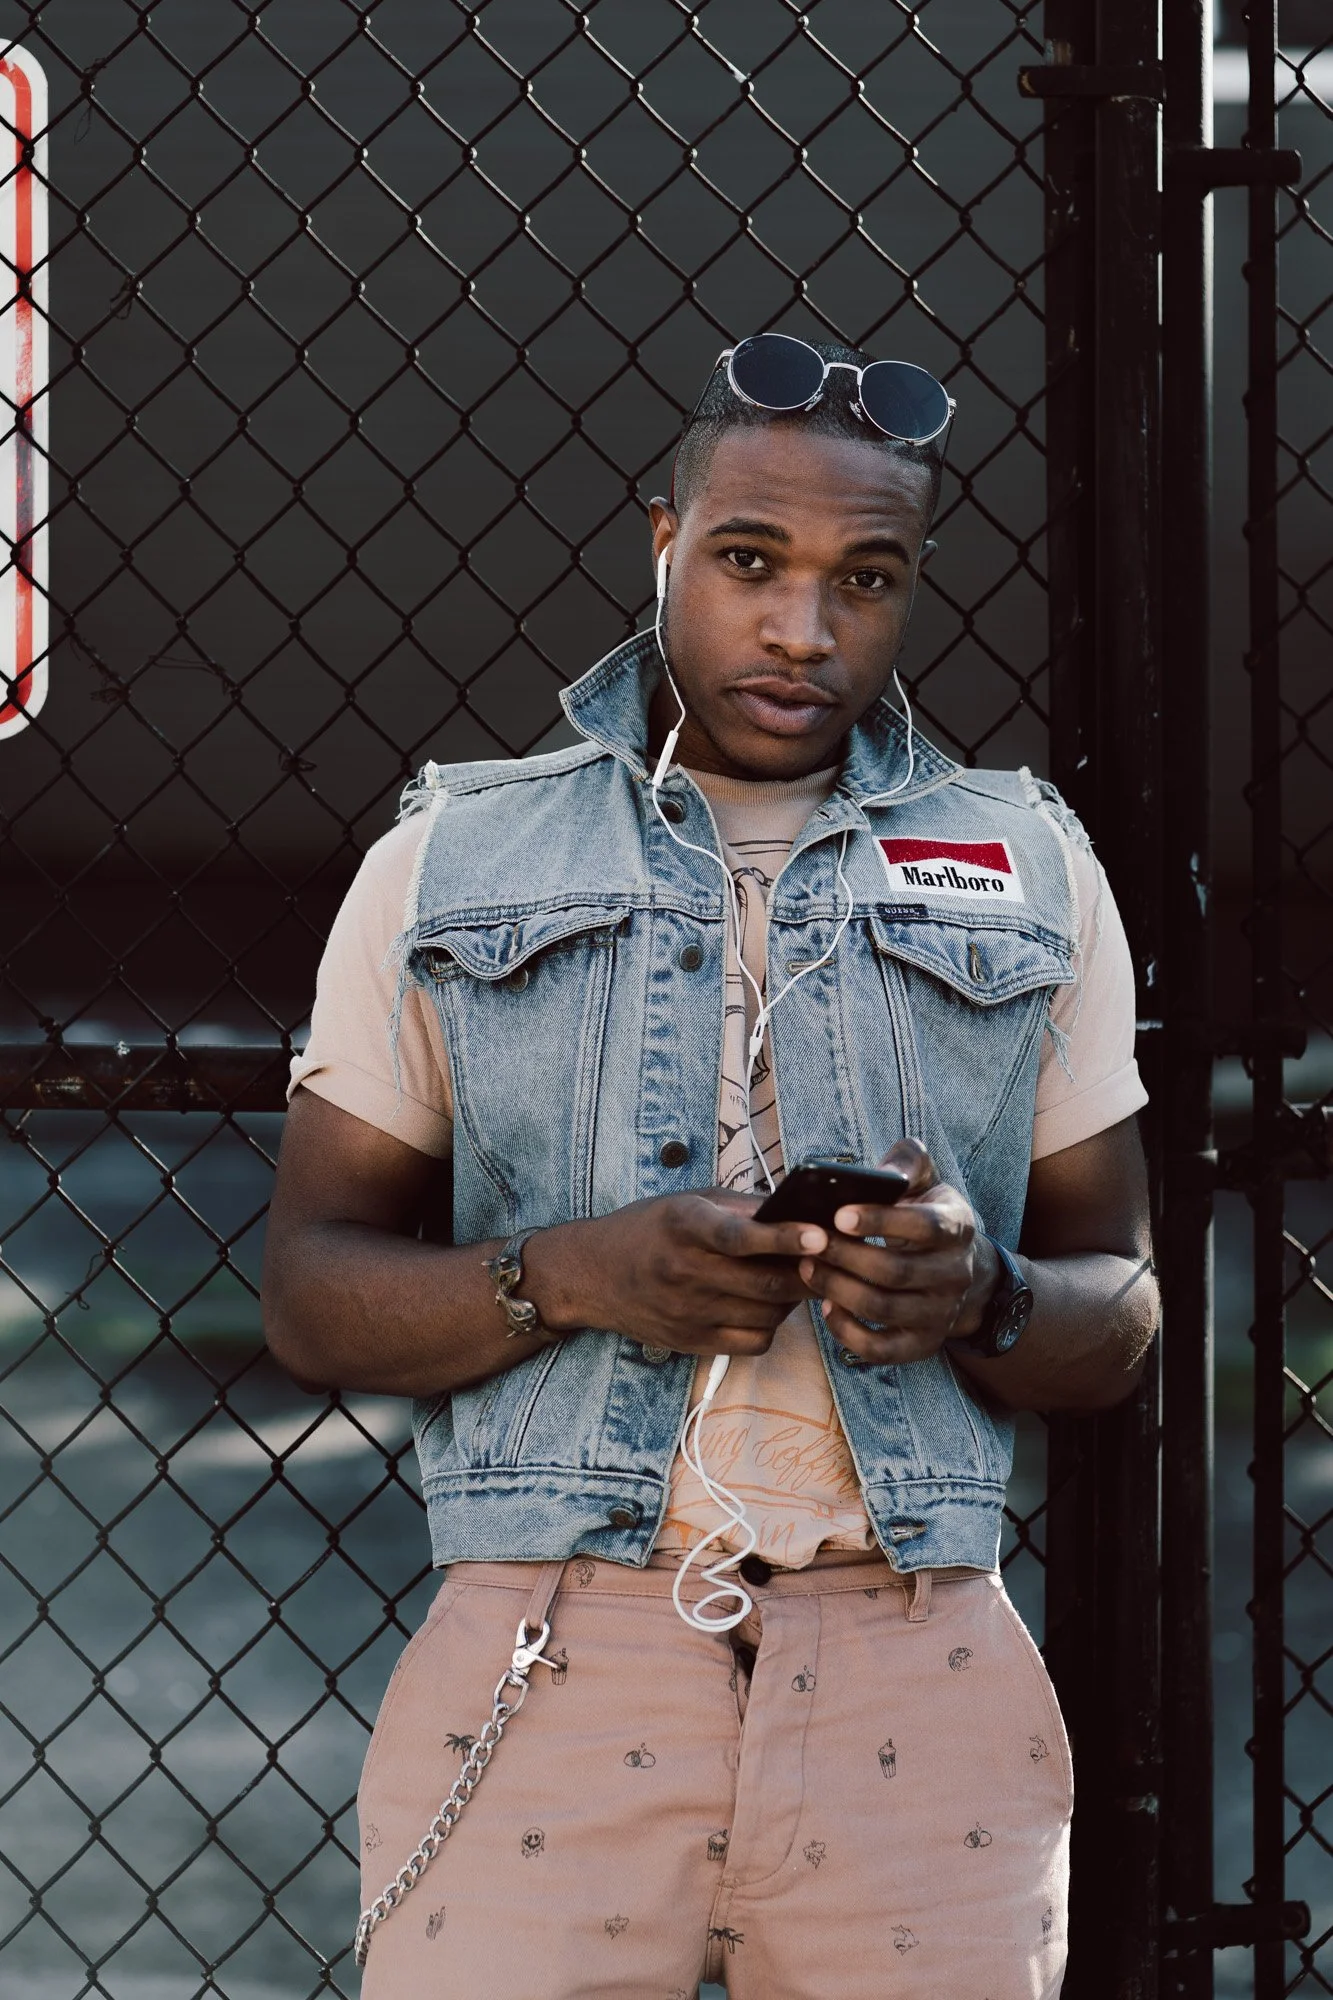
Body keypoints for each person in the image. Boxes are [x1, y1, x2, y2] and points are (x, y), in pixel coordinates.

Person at [262, 333, 1158, 1998]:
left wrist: (987, 1291)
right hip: (551, 1638)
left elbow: (1124, 1312)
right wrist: (570, 1277)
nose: (805, 630)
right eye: (753, 561)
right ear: (664, 538)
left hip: (915, 1652)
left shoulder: (1031, 866)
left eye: (865, 579)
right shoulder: (452, 858)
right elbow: (312, 1294)